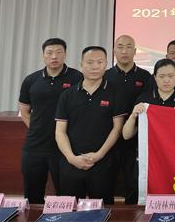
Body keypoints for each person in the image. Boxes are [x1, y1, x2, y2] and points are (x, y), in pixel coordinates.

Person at [55, 46, 126, 204]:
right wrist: (71, 158)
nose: (95, 66)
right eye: (90, 62)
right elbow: (60, 131)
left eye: (100, 62)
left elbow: (117, 128)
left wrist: (99, 155)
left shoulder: (116, 92)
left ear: (106, 64)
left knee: (103, 208)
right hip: (72, 162)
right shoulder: (67, 95)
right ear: (81, 65)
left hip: (103, 163)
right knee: (70, 209)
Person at [18, 38, 83, 204]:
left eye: (59, 52)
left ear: (65, 54)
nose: (54, 56)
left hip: (65, 147)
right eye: (50, 52)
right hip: (35, 146)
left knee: (67, 196)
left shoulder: (77, 78)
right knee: (32, 196)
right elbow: (24, 111)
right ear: (43, 55)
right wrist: (37, 129)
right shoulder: (31, 80)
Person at [104, 34, 152, 204]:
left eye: (129, 47)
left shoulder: (146, 77)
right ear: (114, 51)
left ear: (135, 51)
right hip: (109, 139)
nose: (124, 51)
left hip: (136, 140)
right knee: (105, 184)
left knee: (134, 185)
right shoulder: (105, 76)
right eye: (120, 47)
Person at [122, 58, 175, 140]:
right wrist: (133, 116)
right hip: (149, 147)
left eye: (170, 76)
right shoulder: (144, 100)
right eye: (161, 76)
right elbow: (126, 135)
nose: (166, 80)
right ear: (155, 77)